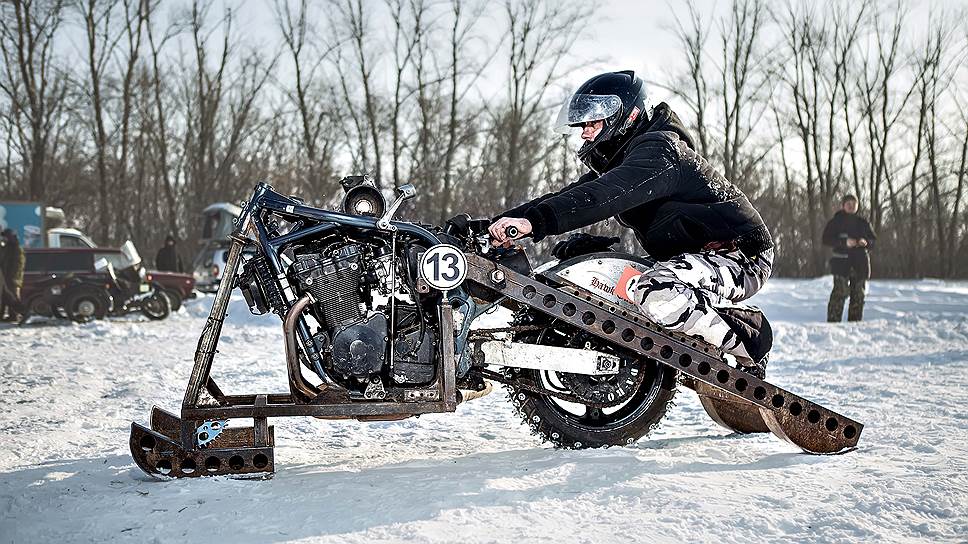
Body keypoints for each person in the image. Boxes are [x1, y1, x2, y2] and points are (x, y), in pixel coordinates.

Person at [488, 70, 774, 376]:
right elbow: (570, 194)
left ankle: (749, 337)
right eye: (583, 126)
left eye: (591, 124)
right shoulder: (629, 158)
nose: (584, 134)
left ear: (625, 114)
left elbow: (601, 196)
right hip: (688, 259)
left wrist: (534, 223)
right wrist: (495, 224)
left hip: (741, 256)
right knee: (596, 277)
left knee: (655, 291)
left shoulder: (662, 151)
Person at [822, 195, 876, 322]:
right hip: (841, 264)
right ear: (843, 205)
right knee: (839, 293)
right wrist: (844, 242)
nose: (851, 206)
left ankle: (855, 324)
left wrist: (866, 242)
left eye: (854, 203)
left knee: (858, 295)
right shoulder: (835, 222)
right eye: (848, 203)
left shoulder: (863, 222)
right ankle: (833, 323)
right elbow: (826, 239)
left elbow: (873, 240)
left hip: (860, 263)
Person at [0, 228, 25, 321]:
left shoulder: (16, 249)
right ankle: (4, 315)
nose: (3, 239)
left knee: (13, 297)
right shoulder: (7, 247)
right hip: (6, 277)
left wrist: (13, 277)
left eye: (5, 237)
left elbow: (18, 265)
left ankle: (17, 314)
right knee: (5, 297)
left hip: (13, 278)